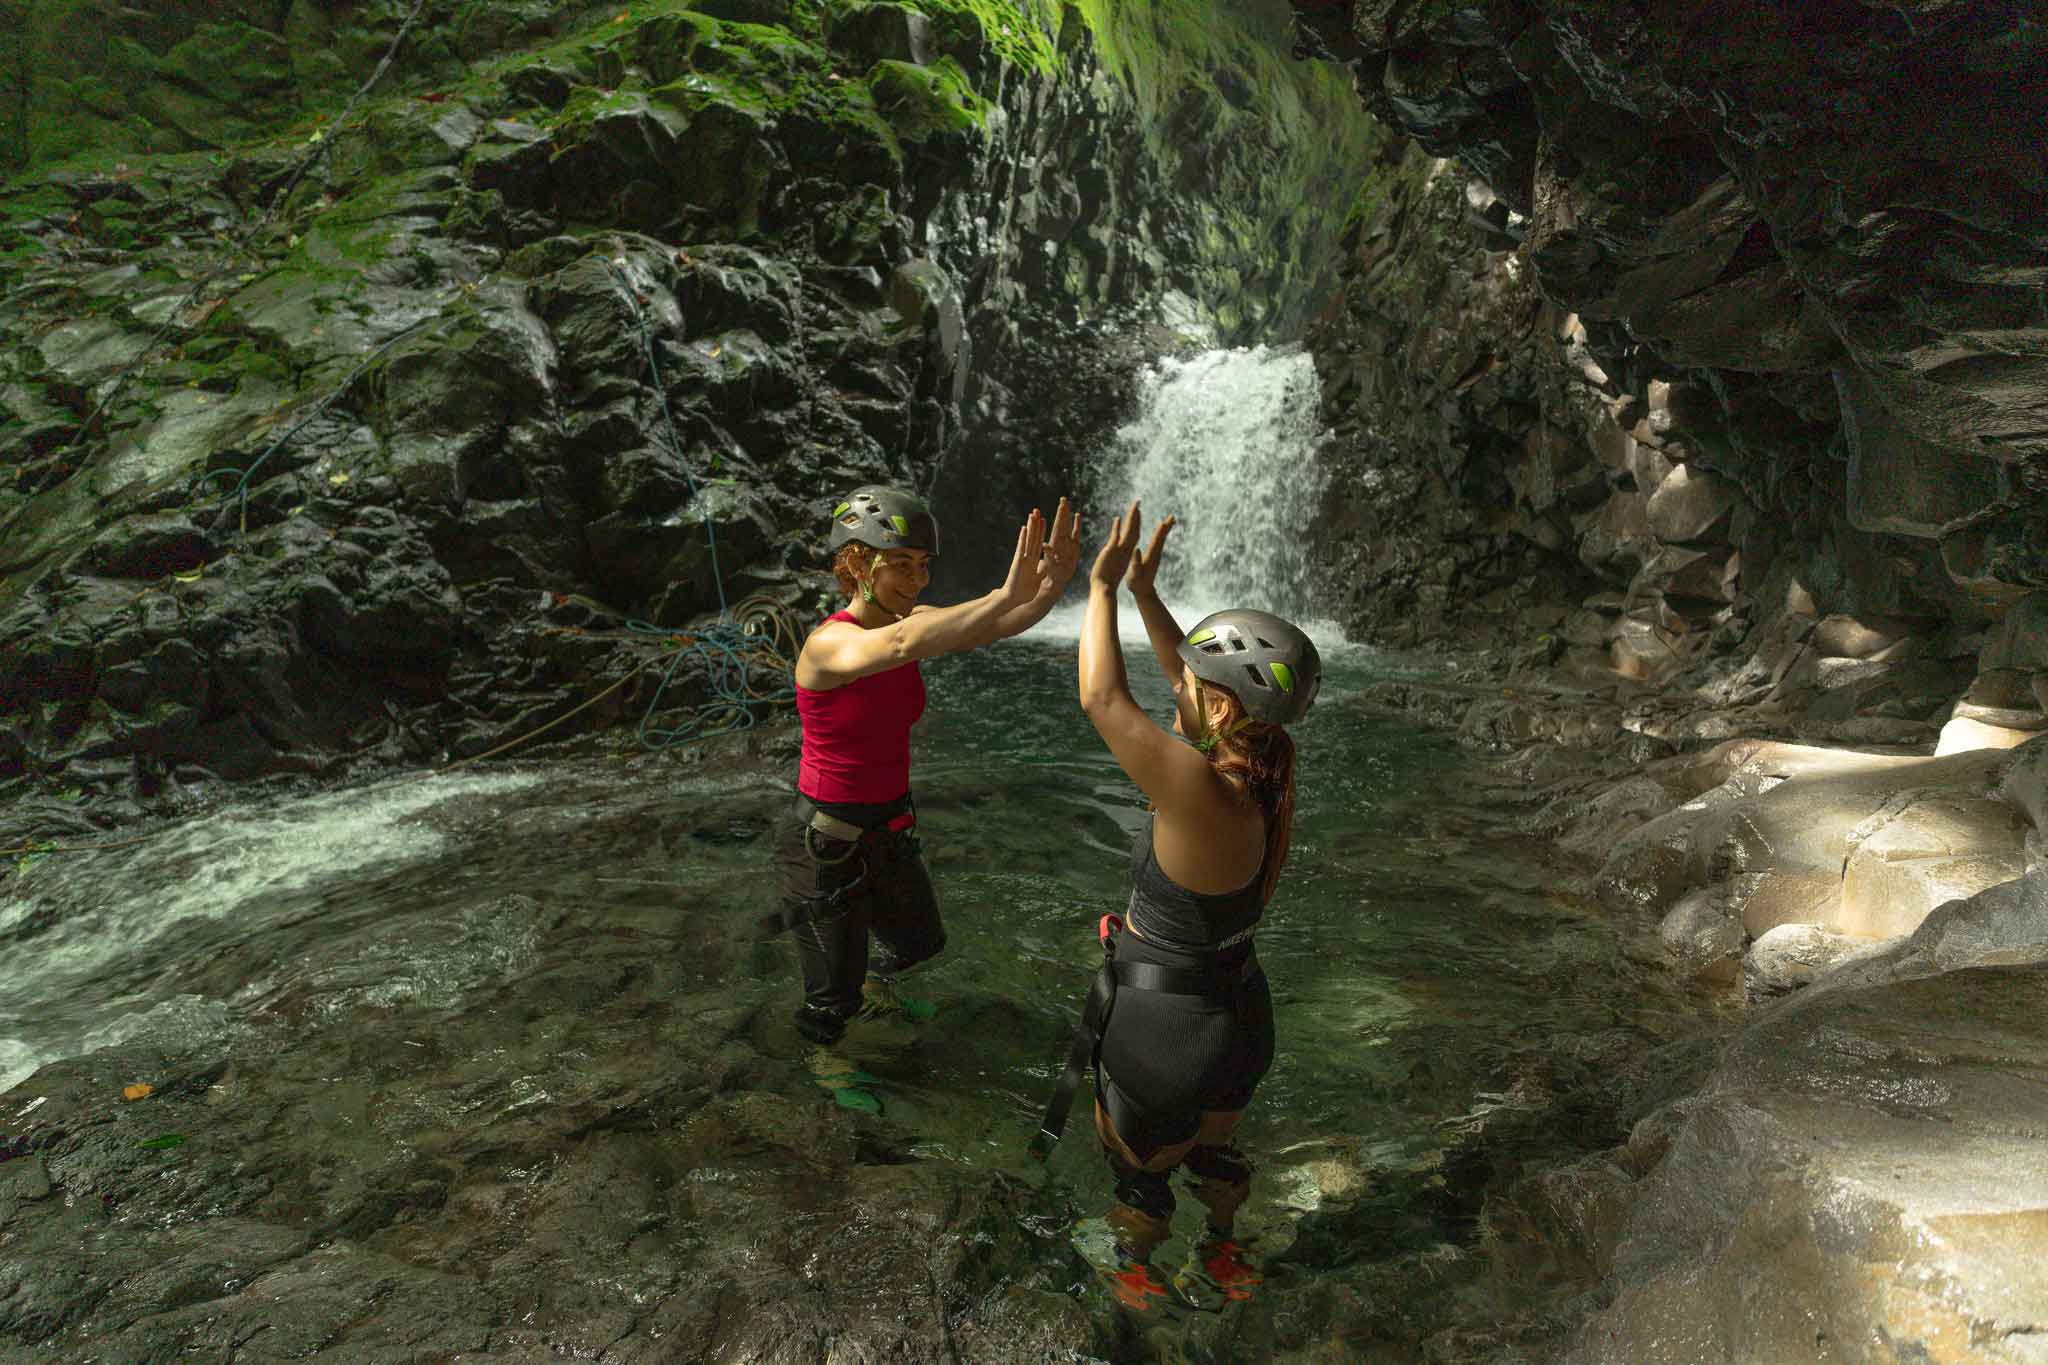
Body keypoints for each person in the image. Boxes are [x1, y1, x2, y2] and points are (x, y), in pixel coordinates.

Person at [1073, 499, 1320, 1301]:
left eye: (1187, 681)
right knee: (1214, 1152)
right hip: (1238, 1016)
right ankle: (1222, 1251)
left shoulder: (1197, 791)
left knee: (1139, 1184)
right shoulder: (1265, 770)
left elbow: (1104, 701)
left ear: (1218, 709)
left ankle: (1138, 1296)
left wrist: (1101, 588)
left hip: (1163, 1033)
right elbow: (1200, 684)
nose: (1173, 682)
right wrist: (1149, 595)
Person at [774, 484, 1080, 1102]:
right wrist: (1004, 591)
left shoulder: (903, 619)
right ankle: (825, 1068)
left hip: (888, 828)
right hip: (825, 844)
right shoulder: (829, 643)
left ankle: (870, 989)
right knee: (827, 1001)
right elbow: (905, 645)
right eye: (901, 565)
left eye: (923, 566)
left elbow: (994, 625)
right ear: (856, 562)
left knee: (920, 943)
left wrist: (1052, 586)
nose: (916, 581)